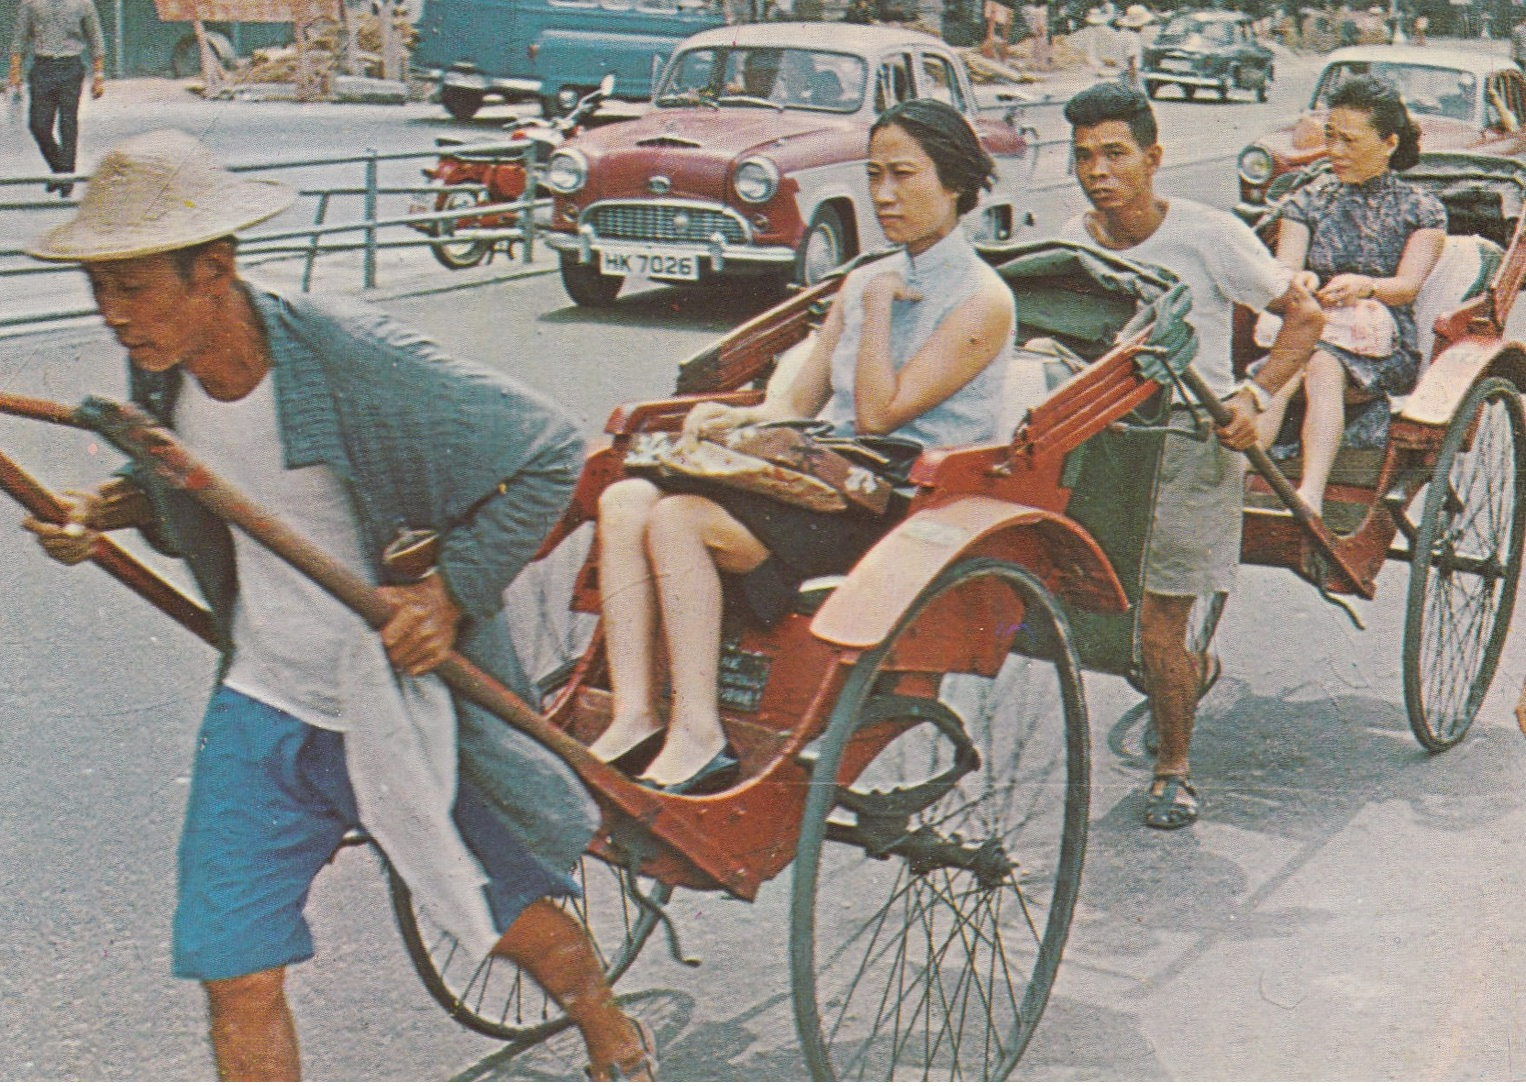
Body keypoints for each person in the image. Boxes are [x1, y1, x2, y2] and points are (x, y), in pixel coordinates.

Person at [20, 130, 655, 1082]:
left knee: (497, 917)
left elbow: (549, 451)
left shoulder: (350, 357)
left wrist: (448, 595)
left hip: (387, 695)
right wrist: (98, 509)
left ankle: (607, 1024)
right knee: (236, 970)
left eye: (135, 286)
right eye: (99, 289)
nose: (113, 316)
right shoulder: (158, 363)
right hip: (264, 700)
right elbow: (181, 474)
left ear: (216, 270)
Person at [584, 99, 1016, 790]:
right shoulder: (865, 276)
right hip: (814, 480)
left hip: (892, 506)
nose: (882, 195)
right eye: (873, 174)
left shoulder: (981, 300)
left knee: (678, 517)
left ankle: (698, 732)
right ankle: (635, 712)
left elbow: (878, 416)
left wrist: (873, 312)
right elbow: (796, 401)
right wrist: (728, 423)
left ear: (957, 183)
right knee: (628, 499)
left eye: (903, 175)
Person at [1058, 83, 1323, 829]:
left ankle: (1172, 766)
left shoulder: (1207, 235)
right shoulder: (1068, 236)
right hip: (1103, 442)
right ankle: (1188, 675)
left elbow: (1303, 317)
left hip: (1188, 437)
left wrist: (1254, 397)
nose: (1096, 171)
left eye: (1113, 154)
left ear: (1152, 158)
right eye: (1082, 157)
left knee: (1156, 629)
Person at [1260, 76, 1445, 511]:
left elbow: (1407, 287)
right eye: (1330, 137)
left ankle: (1310, 491)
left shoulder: (1421, 208)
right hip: (1311, 323)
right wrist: (1299, 280)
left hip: (1379, 342)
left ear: (1388, 142)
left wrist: (1367, 286)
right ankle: (1240, 474)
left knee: (1323, 364)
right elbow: (1285, 268)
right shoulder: (1308, 200)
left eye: (1349, 140)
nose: (1335, 151)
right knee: (1282, 369)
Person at [9, 0, 107, 198]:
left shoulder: (82, 3)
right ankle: (59, 169)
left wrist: (98, 76)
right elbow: (19, 40)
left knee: (67, 122)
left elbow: (95, 38)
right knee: (38, 124)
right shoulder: (31, 4)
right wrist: (15, 73)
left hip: (70, 66)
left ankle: (67, 178)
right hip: (42, 67)